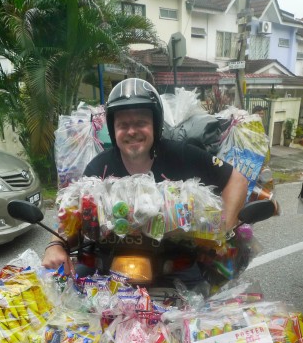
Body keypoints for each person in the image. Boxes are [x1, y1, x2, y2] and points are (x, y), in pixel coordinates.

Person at [42, 78, 248, 273]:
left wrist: (223, 233)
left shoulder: (182, 155)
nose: (131, 131)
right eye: (123, 125)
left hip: (176, 266)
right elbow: (74, 212)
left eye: (141, 123)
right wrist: (55, 245)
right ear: (114, 131)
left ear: (155, 126)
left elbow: (236, 180)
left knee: (213, 304)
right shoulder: (99, 168)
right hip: (108, 266)